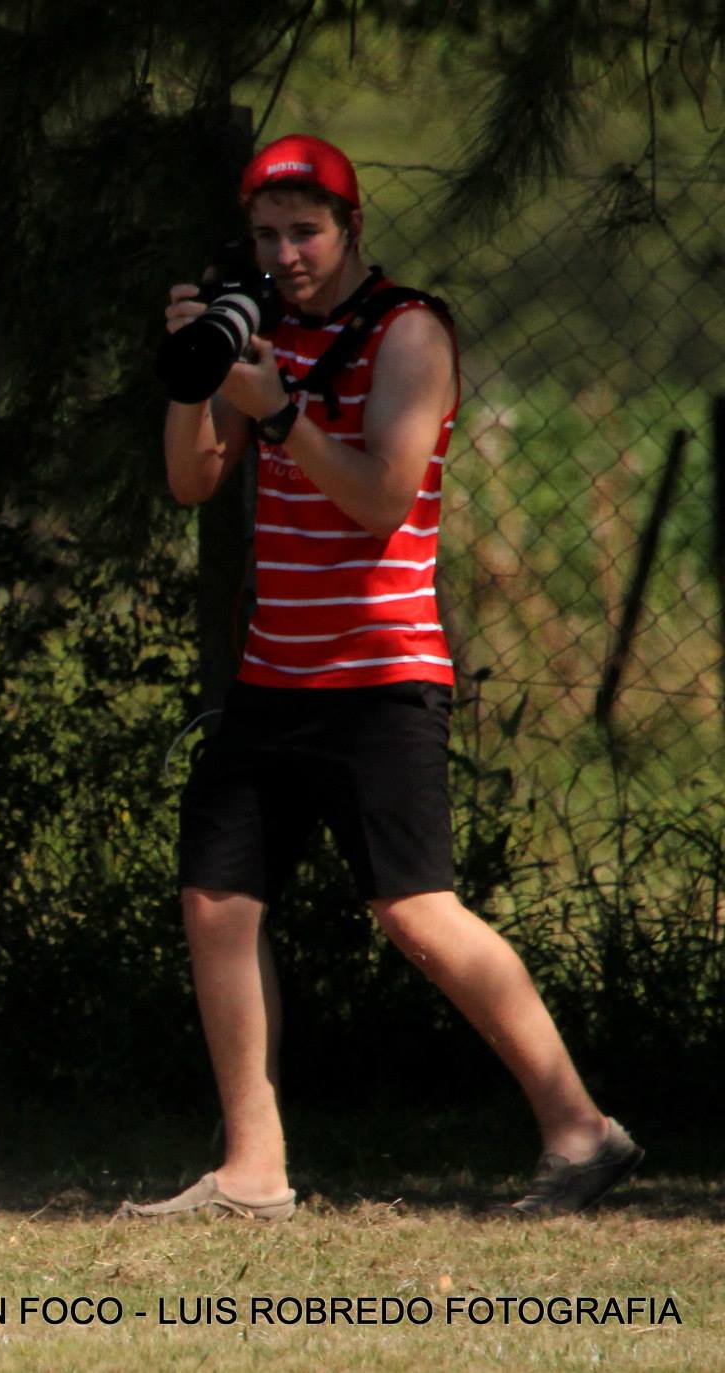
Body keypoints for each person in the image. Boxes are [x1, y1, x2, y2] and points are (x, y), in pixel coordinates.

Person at [122, 134, 639, 1222]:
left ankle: (579, 1127)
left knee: (414, 911)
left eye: (303, 231)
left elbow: (378, 498)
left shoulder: (406, 330)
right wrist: (193, 375)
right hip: (273, 675)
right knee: (216, 900)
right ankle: (251, 1171)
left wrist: (278, 410)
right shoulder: (258, 331)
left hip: (380, 673)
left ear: (351, 229)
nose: (285, 253)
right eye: (264, 236)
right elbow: (188, 482)